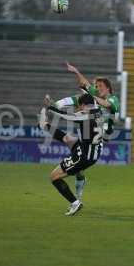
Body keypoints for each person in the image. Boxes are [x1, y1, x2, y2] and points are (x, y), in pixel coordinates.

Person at [48, 62, 120, 200]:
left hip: (102, 136)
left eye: (100, 87)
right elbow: (85, 83)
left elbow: (107, 104)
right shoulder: (96, 96)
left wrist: (89, 96)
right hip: (91, 133)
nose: (97, 89)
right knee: (72, 144)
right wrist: (76, 71)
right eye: (97, 86)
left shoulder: (113, 99)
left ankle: (78, 181)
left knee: (80, 152)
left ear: (109, 88)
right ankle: (80, 177)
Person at [38, 93, 104, 216]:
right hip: (92, 149)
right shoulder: (98, 111)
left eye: (79, 106)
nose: (78, 109)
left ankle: (75, 202)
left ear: (83, 105)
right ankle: (45, 125)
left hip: (84, 156)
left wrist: (50, 107)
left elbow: (67, 117)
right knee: (68, 139)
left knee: (54, 177)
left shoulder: (86, 115)